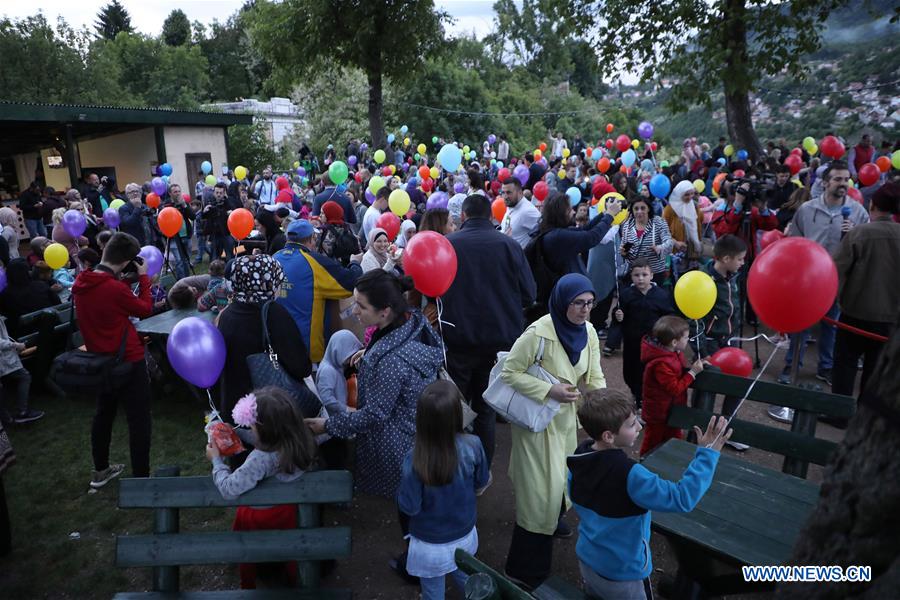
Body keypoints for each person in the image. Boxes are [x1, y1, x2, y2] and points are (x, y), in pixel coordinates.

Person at [567, 389, 731, 600]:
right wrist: (708, 454)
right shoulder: (630, 475)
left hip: (589, 561)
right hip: (623, 575)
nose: (640, 426)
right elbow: (682, 498)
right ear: (608, 436)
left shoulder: (578, 459)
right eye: (631, 424)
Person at [502, 274, 607, 590]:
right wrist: (550, 390)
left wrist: (602, 411)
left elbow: (596, 375)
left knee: (560, 481)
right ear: (563, 302)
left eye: (589, 303)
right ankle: (523, 570)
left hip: (565, 425)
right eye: (578, 303)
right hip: (536, 426)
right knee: (539, 494)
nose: (585, 310)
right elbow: (510, 372)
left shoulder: (588, 332)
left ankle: (551, 521)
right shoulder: (538, 333)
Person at [441, 194, 536, 470]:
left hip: (459, 338)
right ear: (491, 216)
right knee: (486, 407)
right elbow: (530, 294)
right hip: (500, 340)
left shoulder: (449, 244)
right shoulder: (509, 245)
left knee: (455, 404)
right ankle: (482, 471)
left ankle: (453, 467)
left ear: (463, 216)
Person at [208, 386, 317, 589]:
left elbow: (228, 488)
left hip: (260, 517)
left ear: (264, 429)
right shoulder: (300, 442)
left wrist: (217, 461)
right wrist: (235, 430)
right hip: (290, 513)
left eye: (253, 426)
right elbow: (268, 436)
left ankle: (247, 583)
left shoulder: (260, 459)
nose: (251, 429)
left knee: (244, 515)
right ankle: (297, 580)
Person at [71, 232, 153, 487]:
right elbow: (144, 308)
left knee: (104, 415)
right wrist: (144, 278)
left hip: (101, 361)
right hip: (129, 359)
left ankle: (100, 470)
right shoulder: (114, 289)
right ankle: (141, 478)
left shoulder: (82, 283)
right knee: (138, 419)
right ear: (128, 261)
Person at [397, 380, 489, 600]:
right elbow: (481, 481)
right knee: (467, 580)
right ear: (458, 415)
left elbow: (409, 506)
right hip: (464, 533)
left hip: (429, 545)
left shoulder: (414, 459)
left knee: (433, 593)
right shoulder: (474, 445)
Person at [780, 160, 869, 386]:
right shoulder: (807, 209)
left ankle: (826, 367)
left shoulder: (857, 212)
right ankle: (792, 365)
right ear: (825, 182)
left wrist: (854, 234)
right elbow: (794, 242)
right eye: (837, 179)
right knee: (801, 322)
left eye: (846, 179)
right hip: (808, 279)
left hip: (838, 279)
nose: (843, 184)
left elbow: (865, 245)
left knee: (832, 325)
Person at [831, 183, 900, 421]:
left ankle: (838, 414)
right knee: (875, 371)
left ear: (872, 205)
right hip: (890, 321)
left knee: (845, 366)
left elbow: (835, 272)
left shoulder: (859, 233)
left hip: (855, 314)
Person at [217, 254, 311, 423]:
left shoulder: (227, 315)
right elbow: (300, 365)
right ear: (267, 280)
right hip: (269, 411)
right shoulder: (273, 314)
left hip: (237, 410)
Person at [274, 219, 362, 363]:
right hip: (307, 350)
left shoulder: (274, 257)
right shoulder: (314, 262)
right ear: (311, 239)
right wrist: (355, 263)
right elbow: (349, 284)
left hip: (278, 345)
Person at [639, 316, 706, 456]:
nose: (688, 340)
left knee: (674, 439)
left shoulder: (673, 353)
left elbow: (678, 370)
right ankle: (644, 465)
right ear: (674, 342)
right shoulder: (661, 363)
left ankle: (668, 465)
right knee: (653, 442)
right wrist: (693, 373)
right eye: (686, 338)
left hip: (670, 410)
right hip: (659, 413)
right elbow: (674, 388)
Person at [613, 259, 676, 407]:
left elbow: (669, 316)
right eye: (636, 275)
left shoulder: (661, 295)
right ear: (631, 276)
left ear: (652, 276)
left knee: (649, 372)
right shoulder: (626, 294)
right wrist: (618, 316)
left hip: (654, 344)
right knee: (629, 371)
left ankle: (643, 400)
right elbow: (618, 314)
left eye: (644, 274)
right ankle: (636, 393)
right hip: (632, 342)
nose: (640, 278)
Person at [0, 258, 61, 337]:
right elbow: (58, 304)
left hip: (26, 337)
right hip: (54, 330)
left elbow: (6, 315)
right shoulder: (41, 285)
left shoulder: (6, 294)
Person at [619, 196, 673, 284]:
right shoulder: (626, 224)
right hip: (634, 273)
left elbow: (669, 243)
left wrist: (659, 248)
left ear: (648, 209)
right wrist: (623, 252)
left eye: (643, 208)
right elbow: (623, 246)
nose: (639, 211)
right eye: (636, 208)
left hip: (654, 272)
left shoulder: (658, 222)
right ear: (632, 210)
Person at [0, 315, 43, 425]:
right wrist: (15, 345)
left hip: (5, 357)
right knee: (24, 377)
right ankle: (21, 412)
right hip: (4, 358)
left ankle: (8, 418)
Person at [316, 330, 363, 417]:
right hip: (333, 418)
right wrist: (347, 409)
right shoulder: (328, 370)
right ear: (337, 351)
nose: (350, 360)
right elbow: (327, 399)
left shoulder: (337, 367)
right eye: (348, 356)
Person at [662, 180, 704, 277]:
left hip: (692, 252)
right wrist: (675, 242)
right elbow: (662, 231)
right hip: (677, 254)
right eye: (686, 195)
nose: (689, 197)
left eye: (692, 194)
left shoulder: (694, 206)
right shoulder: (670, 209)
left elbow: (699, 223)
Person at [499, 178, 540, 248]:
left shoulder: (528, 211)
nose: (505, 196)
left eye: (509, 192)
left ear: (520, 192)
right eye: (503, 192)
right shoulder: (511, 204)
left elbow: (545, 230)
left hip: (519, 257)